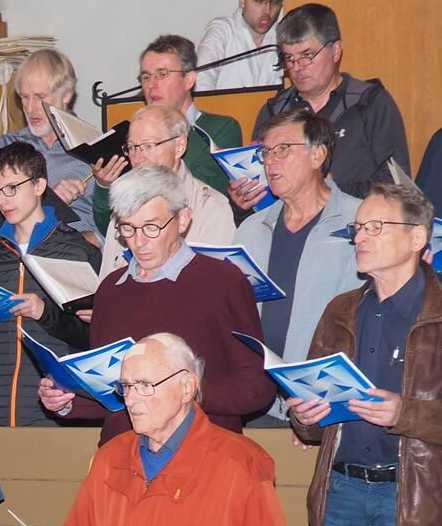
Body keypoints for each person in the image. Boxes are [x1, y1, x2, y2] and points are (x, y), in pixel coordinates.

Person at [60, 333, 298, 526]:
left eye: (145, 386)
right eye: (125, 387)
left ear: (187, 387)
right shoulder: (108, 459)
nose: (130, 400)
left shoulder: (240, 462)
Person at [40, 165, 275, 444]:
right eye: (127, 227)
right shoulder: (111, 290)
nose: (139, 242)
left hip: (202, 457)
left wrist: (180, 391)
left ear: (183, 219)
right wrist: (67, 400)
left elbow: (256, 388)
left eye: (152, 227)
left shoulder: (223, 281)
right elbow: (112, 396)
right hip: (122, 457)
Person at [291, 184, 441, 526]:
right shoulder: (338, 311)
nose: (360, 237)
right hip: (340, 495)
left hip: (416, 500)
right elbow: (310, 426)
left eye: (375, 227)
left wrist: (404, 412)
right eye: (357, 228)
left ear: (417, 237)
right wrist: (305, 415)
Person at [234, 110, 362, 424]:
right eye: (265, 152)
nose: (269, 161)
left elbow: (364, 324)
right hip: (256, 401)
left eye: (283, 150)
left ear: (318, 155)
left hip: (323, 403)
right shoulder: (250, 229)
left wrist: (319, 409)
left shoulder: (360, 222)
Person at [232, 3, 410, 209]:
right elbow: (261, 185)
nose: (297, 67)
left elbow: (398, 188)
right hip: (284, 227)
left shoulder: (370, 103)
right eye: (289, 58)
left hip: (357, 228)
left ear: (335, 51)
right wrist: (242, 201)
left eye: (307, 55)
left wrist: (333, 190)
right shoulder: (275, 111)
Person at [0, 143, 99, 426]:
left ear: (40, 185)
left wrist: (45, 314)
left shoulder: (77, 251)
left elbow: (93, 337)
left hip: (57, 405)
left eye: (13, 188)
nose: (3, 200)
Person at [92, 104, 236, 276]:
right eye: (132, 147)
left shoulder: (211, 207)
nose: (137, 158)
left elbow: (213, 285)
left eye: (149, 145)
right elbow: (108, 283)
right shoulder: (124, 205)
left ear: (179, 146)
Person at [0, 49, 100, 237]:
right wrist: (50, 202)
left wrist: (96, 239)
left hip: (77, 250)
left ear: (66, 95)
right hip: (21, 251)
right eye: (24, 97)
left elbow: (118, 222)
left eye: (40, 97)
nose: (30, 108)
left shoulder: (94, 147)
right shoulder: (7, 146)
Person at [135, 35, 242, 200]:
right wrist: (104, 185)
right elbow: (110, 218)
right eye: (146, 77)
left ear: (189, 80)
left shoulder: (219, 130)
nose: (151, 85)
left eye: (162, 74)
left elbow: (205, 194)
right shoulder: (135, 136)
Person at [195, 0, 285, 92]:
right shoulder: (222, 31)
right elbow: (201, 82)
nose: (268, 10)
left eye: (275, 1)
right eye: (259, 0)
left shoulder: (284, 37)